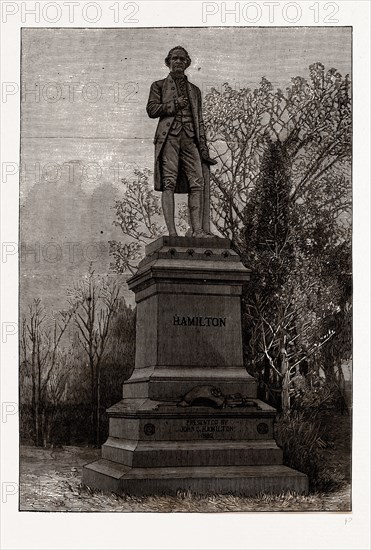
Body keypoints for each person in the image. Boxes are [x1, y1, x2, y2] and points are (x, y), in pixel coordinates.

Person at [146, 46, 217, 237]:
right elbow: (152, 110)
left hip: (190, 139)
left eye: (182, 59)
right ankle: (172, 233)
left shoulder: (194, 91)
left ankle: (198, 231)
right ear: (168, 62)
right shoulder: (158, 86)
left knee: (197, 183)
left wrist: (203, 148)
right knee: (169, 182)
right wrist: (173, 105)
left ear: (187, 63)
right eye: (174, 58)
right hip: (169, 138)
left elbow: (199, 120)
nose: (178, 62)